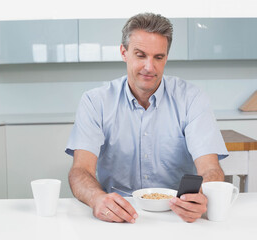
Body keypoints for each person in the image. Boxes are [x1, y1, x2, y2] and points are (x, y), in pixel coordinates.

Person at [65, 13, 228, 224]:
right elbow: (80, 170)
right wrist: (97, 199)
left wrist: (200, 197)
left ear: (166, 58)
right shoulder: (95, 102)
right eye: (140, 55)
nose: (149, 67)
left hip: (177, 216)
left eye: (158, 57)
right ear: (124, 52)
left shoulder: (192, 99)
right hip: (116, 213)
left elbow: (210, 169)